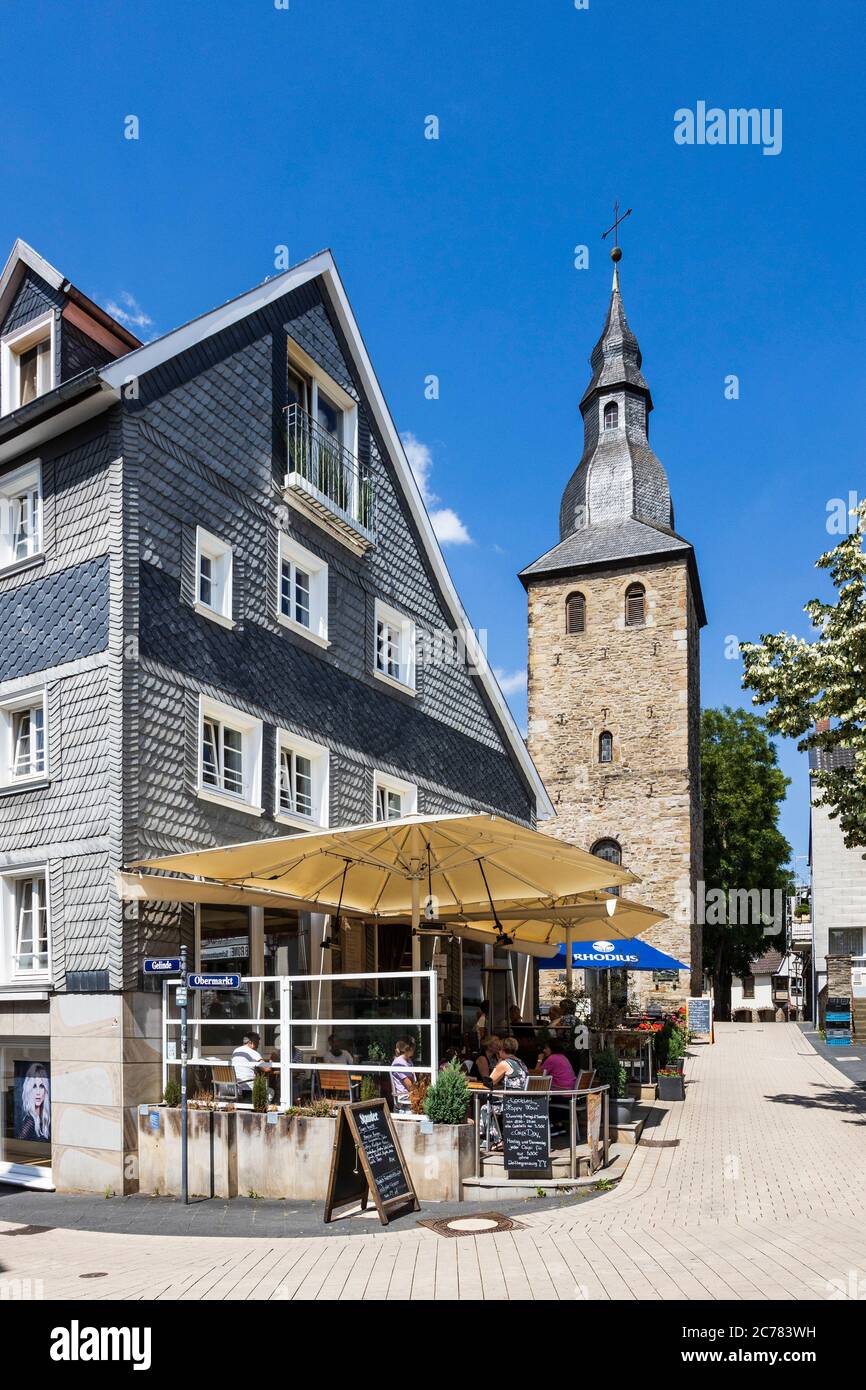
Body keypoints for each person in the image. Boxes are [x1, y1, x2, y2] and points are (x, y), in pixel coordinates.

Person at [480, 1037, 529, 1149]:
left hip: (512, 1103)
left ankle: (497, 1140)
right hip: (524, 1103)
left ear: (502, 1050)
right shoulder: (521, 1062)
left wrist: (498, 1062)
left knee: (485, 1108)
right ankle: (499, 1138)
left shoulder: (505, 1063)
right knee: (493, 1104)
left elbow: (489, 1082)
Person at [231, 1031, 273, 1099]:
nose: (258, 1045)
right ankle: (262, 1108)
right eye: (257, 1042)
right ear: (250, 1042)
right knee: (271, 1092)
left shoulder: (236, 1051)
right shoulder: (253, 1052)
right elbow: (267, 1069)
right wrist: (271, 1059)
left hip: (234, 1085)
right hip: (247, 1086)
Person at [18, 1063, 50, 1143]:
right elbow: (19, 1143)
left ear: (46, 1090)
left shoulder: (46, 1117)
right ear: (29, 1089)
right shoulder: (29, 1121)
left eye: (42, 1086)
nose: (38, 1092)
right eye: (34, 1086)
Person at [390, 1039, 416, 1110]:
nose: (414, 1049)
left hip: (410, 1093)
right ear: (408, 1049)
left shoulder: (408, 1061)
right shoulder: (399, 1063)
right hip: (404, 1096)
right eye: (413, 1048)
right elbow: (409, 1085)